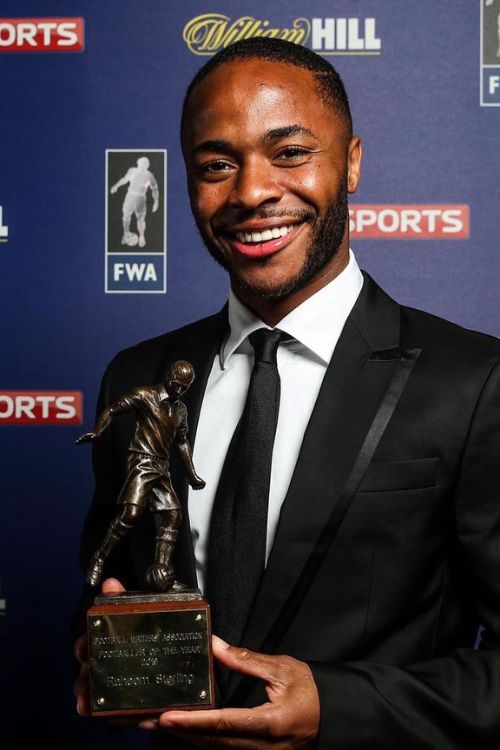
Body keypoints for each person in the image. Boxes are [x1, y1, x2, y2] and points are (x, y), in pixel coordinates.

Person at [74, 38, 500, 749]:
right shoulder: (138, 375)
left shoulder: (474, 382)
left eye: (290, 153)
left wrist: (337, 707)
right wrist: (100, 647)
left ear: (353, 162)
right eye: (217, 165)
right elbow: (116, 590)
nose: (250, 192)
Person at [76, 360, 205, 591]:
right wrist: (98, 431)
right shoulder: (146, 395)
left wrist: (192, 475)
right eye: (177, 384)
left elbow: (182, 442)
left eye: (185, 387)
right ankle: (100, 557)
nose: (179, 390)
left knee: (173, 516)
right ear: (169, 377)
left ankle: (162, 574)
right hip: (142, 461)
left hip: (162, 466)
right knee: (131, 514)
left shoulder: (181, 409)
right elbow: (113, 409)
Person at [110, 155, 159, 247]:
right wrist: (116, 186)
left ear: (147, 165)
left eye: (144, 164)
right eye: (140, 164)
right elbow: (125, 180)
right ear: (138, 163)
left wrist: (156, 200)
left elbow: (154, 188)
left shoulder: (149, 175)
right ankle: (125, 233)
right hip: (130, 195)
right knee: (126, 215)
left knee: (140, 218)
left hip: (140, 198)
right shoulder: (132, 170)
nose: (141, 165)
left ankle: (141, 236)